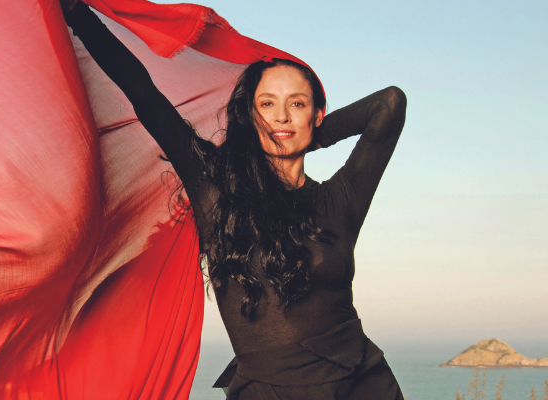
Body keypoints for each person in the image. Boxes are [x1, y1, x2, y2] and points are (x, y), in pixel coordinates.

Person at [64, 1, 407, 399]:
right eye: (267, 104)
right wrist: (78, 15)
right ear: (249, 115)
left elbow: (390, 104)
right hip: (270, 390)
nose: (281, 117)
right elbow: (144, 96)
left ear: (317, 114)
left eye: (296, 104)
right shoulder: (214, 187)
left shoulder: (341, 198)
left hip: (364, 382)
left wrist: (310, 138)